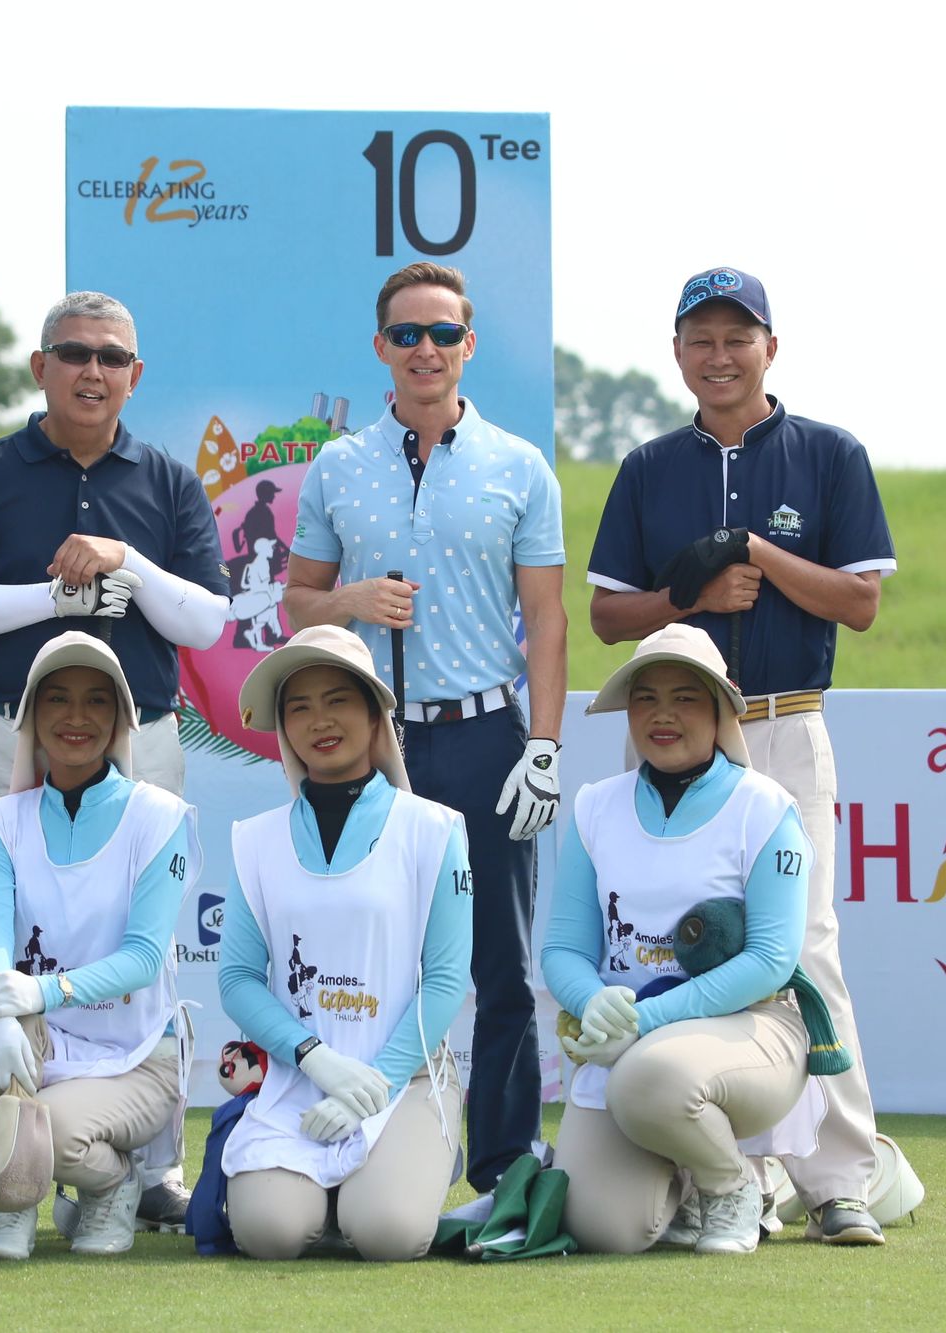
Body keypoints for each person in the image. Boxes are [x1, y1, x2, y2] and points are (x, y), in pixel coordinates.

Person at [586, 267, 898, 1244]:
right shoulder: (648, 467)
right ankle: (739, 1173)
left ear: (770, 346)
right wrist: (692, 597)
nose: (718, 356)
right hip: (675, 735)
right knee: (691, 940)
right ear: (677, 352)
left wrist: (754, 552)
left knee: (802, 948)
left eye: (736, 337)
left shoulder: (828, 454)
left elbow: (859, 601)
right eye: (700, 339)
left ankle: (837, 1178)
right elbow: (608, 616)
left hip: (784, 723)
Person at [0, 291, 228, 1228]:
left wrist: (125, 561)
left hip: (142, 742)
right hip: (3, 730)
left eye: (112, 357)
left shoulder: (167, 482)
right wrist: (55, 597)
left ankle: (151, 1167)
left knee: (145, 956)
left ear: (135, 375)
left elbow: (205, 620)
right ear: (40, 367)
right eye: (74, 353)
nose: (93, 370)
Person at [285, 262, 566, 1199]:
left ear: (468, 346)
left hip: (486, 737)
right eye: (407, 334)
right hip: (374, 746)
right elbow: (297, 602)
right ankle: (362, 1157)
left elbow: (548, 618)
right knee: (366, 956)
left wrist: (544, 746)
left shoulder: (519, 466)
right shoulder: (339, 465)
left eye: (443, 333)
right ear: (381, 348)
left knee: (500, 963)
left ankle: (500, 1167)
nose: (426, 350)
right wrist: (352, 600)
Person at [543, 624, 819, 1255]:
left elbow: (771, 960)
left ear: (720, 710)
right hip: (621, 1044)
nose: (662, 715)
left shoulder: (765, 808)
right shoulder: (594, 807)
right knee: (605, 1228)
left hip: (752, 1030)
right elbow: (563, 950)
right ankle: (690, 1187)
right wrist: (593, 1002)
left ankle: (731, 1188)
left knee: (650, 1077)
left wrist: (643, 1022)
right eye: (646, 699)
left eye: (685, 698)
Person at [215, 625, 473, 1261]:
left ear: (374, 714)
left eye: (338, 701)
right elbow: (239, 979)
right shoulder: (256, 840)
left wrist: (377, 1081)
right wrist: (313, 1059)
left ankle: (403, 1167)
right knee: (269, 1232)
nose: (320, 721)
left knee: (387, 1233)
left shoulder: (435, 830)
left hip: (406, 1078)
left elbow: (445, 979)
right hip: (299, 1080)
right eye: (299, 707)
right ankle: (328, 1196)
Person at [0, 631, 198, 1260]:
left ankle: (115, 1184)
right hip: (43, 1046)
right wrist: (1, 1011)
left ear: (121, 717)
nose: (76, 717)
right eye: (58, 699)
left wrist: (38, 991)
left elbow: (143, 959)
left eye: (97, 700)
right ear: (31, 716)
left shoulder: (160, 818)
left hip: (138, 1058)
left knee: (57, 1133)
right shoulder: (0, 822)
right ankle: (9, 1206)